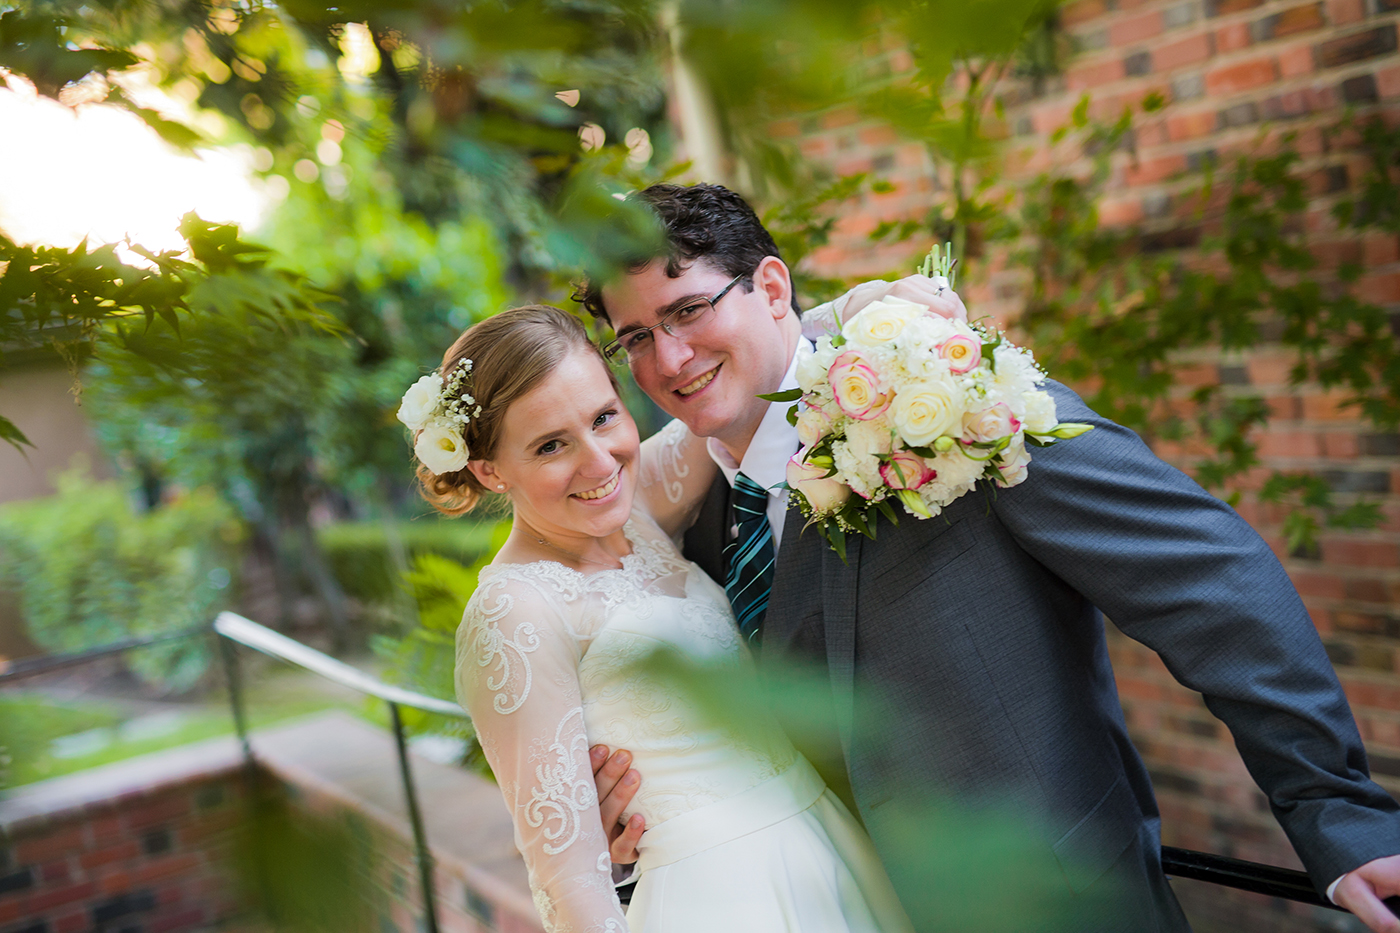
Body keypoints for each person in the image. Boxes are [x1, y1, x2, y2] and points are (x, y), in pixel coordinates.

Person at [578, 182, 1400, 933]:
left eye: (688, 310)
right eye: (636, 338)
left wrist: (1338, 810)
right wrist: (643, 826)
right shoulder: (684, 519)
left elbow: (1207, 577)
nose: (668, 360)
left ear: (770, 288)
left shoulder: (954, 399)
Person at [408, 305, 914, 932]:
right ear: (489, 470)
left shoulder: (638, 508)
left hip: (825, 847)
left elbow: (751, 383)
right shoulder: (515, 612)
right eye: (550, 446)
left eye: (603, 417)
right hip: (716, 900)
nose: (599, 463)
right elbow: (567, 880)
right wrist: (610, 868)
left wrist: (865, 309)